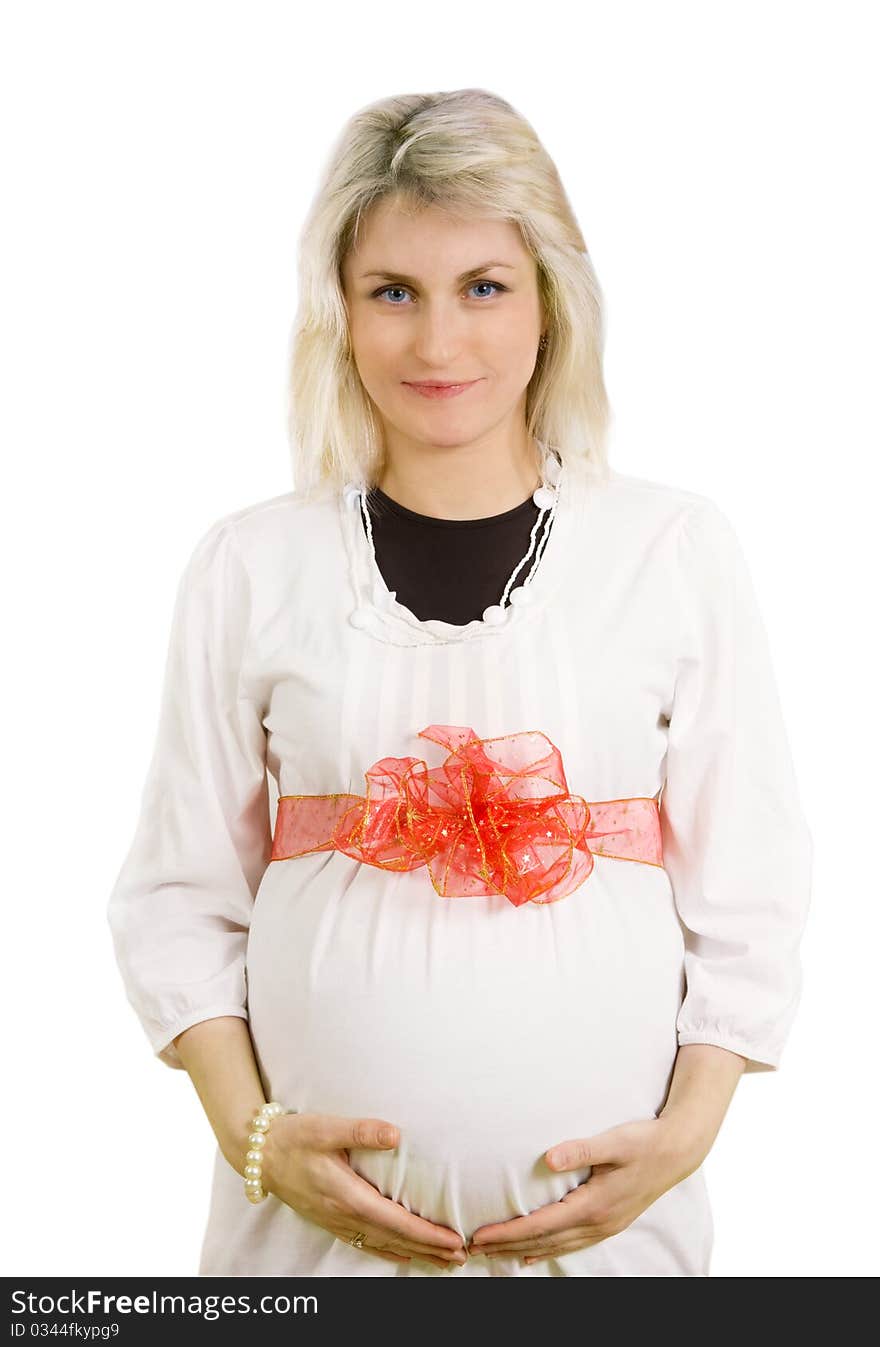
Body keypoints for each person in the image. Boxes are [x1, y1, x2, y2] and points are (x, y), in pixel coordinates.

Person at [106, 87, 813, 1278]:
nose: (438, 345)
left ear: (551, 301)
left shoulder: (671, 550)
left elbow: (751, 891)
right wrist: (254, 1137)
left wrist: (685, 1138)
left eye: (483, 286)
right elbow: (179, 895)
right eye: (394, 292)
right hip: (304, 1263)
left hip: (616, 1257)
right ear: (339, 309)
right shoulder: (250, 564)